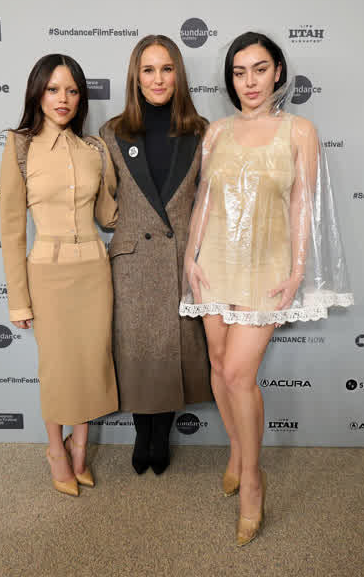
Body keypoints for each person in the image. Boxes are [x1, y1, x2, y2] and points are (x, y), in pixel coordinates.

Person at [179, 32, 353, 545]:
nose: (249, 82)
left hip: (266, 267)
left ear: (277, 71)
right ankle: (237, 450)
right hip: (214, 263)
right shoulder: (217, 132)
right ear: (231, 79)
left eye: (259, 69)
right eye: (239, 72)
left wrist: (298, 270)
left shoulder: (300, 131)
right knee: (218, 365)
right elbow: (206, 199)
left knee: (239, 374)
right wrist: (190, 257)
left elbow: (304, 205)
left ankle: (253, 479)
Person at [0, 54, 118, 497]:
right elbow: (12, 230)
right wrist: (18, 300)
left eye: (71, 90)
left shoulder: (95, 150)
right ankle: (56, 449)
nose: (63, 99)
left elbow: (108, 215)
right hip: (46, 277)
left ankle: (79, 448)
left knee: (90, 363)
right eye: (53, 89)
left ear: (81, 97)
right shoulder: (19, 146)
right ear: (38, 94)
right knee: (56, 368)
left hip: (95, 272)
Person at [100, 35, 212, 475]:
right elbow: (104, 201)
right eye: (149, 70)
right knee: (138, 351)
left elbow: (209, 198)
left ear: (178, 74)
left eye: (167, 69)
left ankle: (159, 438)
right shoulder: (112, 132)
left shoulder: (201, 131)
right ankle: (141, 434)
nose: (158, 79)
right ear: (136, 76)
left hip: (180, 259)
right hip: (132, 262)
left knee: (170, 349)